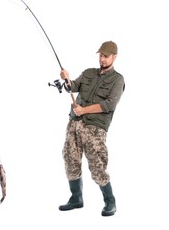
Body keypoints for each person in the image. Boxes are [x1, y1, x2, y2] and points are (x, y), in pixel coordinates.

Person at [59, 41, 125, 216]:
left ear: (114, 57)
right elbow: (72, 87)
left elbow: (109, 104)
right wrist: (66, 79)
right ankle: (76, 199)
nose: (102, 59)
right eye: (100, 55)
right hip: (74, 123)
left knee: (97, 165)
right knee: (70, 160)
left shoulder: (118, 80)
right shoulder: (88, 73)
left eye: (106, 56)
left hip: (95, 128)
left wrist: (84, 110)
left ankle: (110, 202)